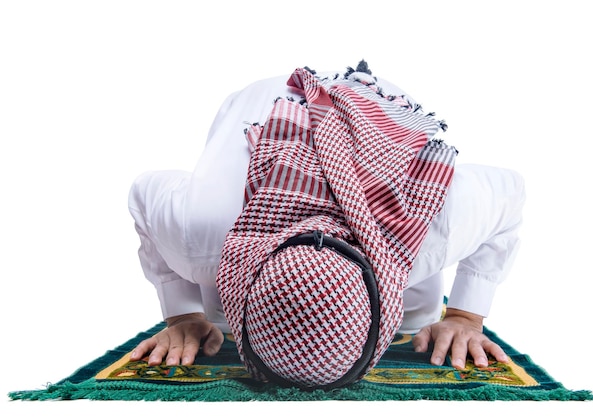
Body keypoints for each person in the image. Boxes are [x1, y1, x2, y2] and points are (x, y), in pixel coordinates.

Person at [127, 61, 525, 390]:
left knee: (417, 318)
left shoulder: (436, 221)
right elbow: (144, 193)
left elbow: (509, 192)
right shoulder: (198, 235)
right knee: (215, 320)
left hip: (366, 102)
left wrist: (463, 317)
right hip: (262, 116)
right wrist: (184, 317)